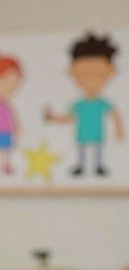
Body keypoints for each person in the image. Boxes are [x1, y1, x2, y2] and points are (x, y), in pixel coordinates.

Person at [45, 32, 125, 177]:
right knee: (82, 151)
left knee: (97, 150)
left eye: (99, 74)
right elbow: (69, 118)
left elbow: (115, 115)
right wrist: (53, 118)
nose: (91, 80)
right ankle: (81, 166)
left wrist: (119, 131)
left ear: (110, 72)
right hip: (82, 134)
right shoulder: (79, 104)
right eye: (83, 74)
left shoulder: (102, 103)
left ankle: (98, 166)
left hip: (97, 134)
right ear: (73, 73)